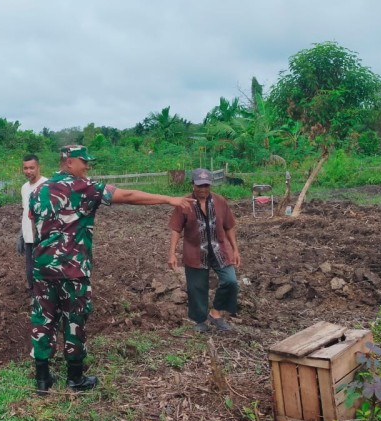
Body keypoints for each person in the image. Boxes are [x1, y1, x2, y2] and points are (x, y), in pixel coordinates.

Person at [29, 145, 194, 395]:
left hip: (42, 267)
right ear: (69, 162)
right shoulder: (83, 187)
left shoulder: (39, 189)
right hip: (73, 270)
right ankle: (75, 379)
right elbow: (126, 196)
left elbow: (33, 222)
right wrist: (169, 199)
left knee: (43, 319)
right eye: (84, 162)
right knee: (75, 320)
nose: (87, 167)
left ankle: (42, 380)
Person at [168, 168, 240, 333]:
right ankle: (200, 320)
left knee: (230, 281)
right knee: (197, 287)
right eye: (199, 186)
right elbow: (176, 230)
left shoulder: (220, 201)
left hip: (219, 249)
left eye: (206, 185)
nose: (203, 189)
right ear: (192, 184)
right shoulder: (184, 203)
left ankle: (215, 314)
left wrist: (235, 249)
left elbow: (229, 227)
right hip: (195, 251)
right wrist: (172, 253)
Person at [19, 154, 47, 293]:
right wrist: (21, 235)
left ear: (38, 167)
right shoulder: (24, 188)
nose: (28, 171)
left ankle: (45, 297)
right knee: (30, 269)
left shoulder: (47, 186)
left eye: (32, 168)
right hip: (28, 236)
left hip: (45, 238)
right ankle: (33, 296)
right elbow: (25, 212)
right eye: (25, 168)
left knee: (44, 269)